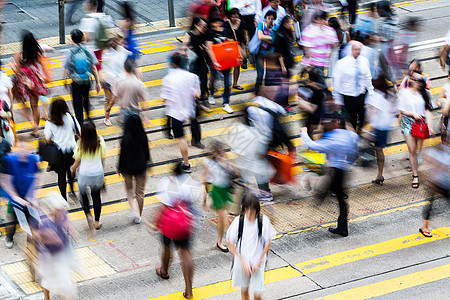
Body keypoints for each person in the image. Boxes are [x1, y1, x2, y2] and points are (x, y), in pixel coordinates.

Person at [300, 115, 359, 237]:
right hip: (340, 169)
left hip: (337, 172)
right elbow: (354, 145)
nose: (323, 127)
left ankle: (342, 227)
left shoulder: (334, 139)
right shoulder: (343, 133)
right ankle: (322, 198)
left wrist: (304, 133)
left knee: (338, 197)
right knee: (337, 195)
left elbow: (314, 146)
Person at [155, 162, 205, 299]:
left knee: (166, 248)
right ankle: (189, 290)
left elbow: (163, 206)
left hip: (169, 223)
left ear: (173, 172)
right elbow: (199, 200)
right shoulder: (192, 184)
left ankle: (164, 271)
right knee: (185, 253)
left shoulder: (166, 183)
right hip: (185, 223)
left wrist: (156, 222)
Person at [226, 194, 276, 300]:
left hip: (258, 262)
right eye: (246, 209)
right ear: (243, 208)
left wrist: (259, 261)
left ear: (256, 209)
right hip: (242, 262)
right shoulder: (238, 222)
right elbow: (231, 244)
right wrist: (243, 262)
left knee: (258, 294)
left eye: (252, 209)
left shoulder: (263, 222)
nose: (249, 212)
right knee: (244, 290)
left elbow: (268, 243)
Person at [161, 53, 202, 174]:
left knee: (181, 138)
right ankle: (196, 141)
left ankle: (186, 163)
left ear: (172, 64)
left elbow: (164, 98)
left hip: (175, 112)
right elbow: (197, 94)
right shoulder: (192, 77)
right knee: (193, 126)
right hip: (189, 109)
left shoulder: (167, 79)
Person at [34, 193, 78, 300]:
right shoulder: (45, 223)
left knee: (57, 281)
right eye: (59, 209)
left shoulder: (61, 213)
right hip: (50, 256)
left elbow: (66, 216)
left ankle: (48, 296)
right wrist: (50, 239)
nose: (62, 210)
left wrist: (69, 226)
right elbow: (37, 236)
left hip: (61, 253)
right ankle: (47, 296)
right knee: (54, 281)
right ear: (52, 209)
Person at [398, 71, 434, 189]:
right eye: (416, 80)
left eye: (421, 81)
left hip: (420, 123)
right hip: (408, 122)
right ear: (411, 80)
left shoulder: (426, 93)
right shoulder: (403, 92)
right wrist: (413, 114)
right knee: (412, 149)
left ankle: (415, 166)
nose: (419, 83)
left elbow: (427, 111)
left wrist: (430, 126)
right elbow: (402, 110)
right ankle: (415, 175)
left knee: (417, 148)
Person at [2, 137, 40, 249]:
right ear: (17, 147)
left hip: (28, 199)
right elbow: (5, 181)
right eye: (21, 147)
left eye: (26, 147)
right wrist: (15, 196)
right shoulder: (10, 160)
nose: (23, 150)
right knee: (11, 221)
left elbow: (37, 177)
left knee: (34, 223)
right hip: (14, 199)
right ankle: (9, 237)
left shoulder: (32, 159)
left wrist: (33, 196)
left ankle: (31, 245)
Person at [419, 102, 449, 238]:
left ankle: (425, 225)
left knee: (432, 201)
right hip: (438, 179)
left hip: (443, 178)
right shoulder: (439, 149)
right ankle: (424, 226)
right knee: (431, 201)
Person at [201, 140, 238, 252]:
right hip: (216, 191)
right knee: (221, 218)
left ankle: (226, 239)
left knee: (227, 215)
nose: (220, 154)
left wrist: (226, 163)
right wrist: (205, 199)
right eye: (218, 152)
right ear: (213, 152)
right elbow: (204, 181)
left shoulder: (224, 162)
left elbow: (235, 173)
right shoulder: (206, 163)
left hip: (225, 190)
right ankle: (220, 242)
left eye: (221, 152)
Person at [11, 30, 49, 137]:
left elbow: (18, 71)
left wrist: (13, 66)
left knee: (22, 104)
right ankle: (36, 128)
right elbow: (39, 66)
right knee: (35, 105)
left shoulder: (18, 54)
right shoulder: (36, 53)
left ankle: (32, 123)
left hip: (23, 83)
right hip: (34, 81)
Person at [71, 121, 106, 233]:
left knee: (83, 196)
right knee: (96, 197)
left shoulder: (80, 143)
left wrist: (72, 169)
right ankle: (97, 221)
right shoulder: (100, 141)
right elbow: (102, 158)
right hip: (97, 173)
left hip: (84, 174)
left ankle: (88, 216)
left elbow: (77, 161)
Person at [44, 98, 80, 201]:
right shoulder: (70, 117)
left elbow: (47, 139)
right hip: (72, 150)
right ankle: (72, 191)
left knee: (61, 176)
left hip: (59, 152)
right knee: (71, 171)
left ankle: (64, 199)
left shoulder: (50, 122)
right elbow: (79, 131)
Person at [333, 41, 374, 132]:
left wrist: (371, 92)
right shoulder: (342, 64)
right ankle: (353, 136)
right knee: (352, 119)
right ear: (351, 50)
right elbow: (336, 82)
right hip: (348, 96)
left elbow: (367, 77)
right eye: (356, 49)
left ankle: (359, 131)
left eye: (359, 50)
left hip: (361, 95)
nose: (358, 52)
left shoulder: (364, 61)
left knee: (363, 117)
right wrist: (337, 98)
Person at [63, 29, 101, 126]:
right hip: (87, 81)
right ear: (82, 38)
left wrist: (65, 81)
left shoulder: (70, 52)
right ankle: (89, 118)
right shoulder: (88, 50)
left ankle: (79, 124)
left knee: (77, 103)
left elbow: (66, 68)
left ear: (72, 40)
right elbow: (93, 67)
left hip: (75, 82)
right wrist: (98, 82)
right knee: (86, 99)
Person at [117, 114, 150, 224]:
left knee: (129, 190)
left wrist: (119, 168)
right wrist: (148, 163)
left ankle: (134, 210)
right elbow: (146, 152)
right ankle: (138, 215)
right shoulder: (143, 136)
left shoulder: (125, 139)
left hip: (127, 168)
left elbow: (122, 155)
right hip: (141, 167)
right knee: (140, 192)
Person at [365, 76, 395, 185]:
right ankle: (380, 173)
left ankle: (380, 173)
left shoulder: (375, 96)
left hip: (378, 128)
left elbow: (372, 114)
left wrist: (370, 129)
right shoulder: (388, 95)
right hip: (386, 127)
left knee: (376, 150)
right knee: (379, 150)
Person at [206, 15, 235, 114]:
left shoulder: (226, 31)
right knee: (214, 79)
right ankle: (211, 94)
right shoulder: (210, 33)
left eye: (218, 22)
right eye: (214, 22)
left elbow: (232, 44)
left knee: (227, 83)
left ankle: (226, 103)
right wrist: (214, 61)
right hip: (215, 61)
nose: (216, 24)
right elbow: (209, 48)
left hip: (226, 61)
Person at [100, 34, 131, 126]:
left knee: (123, 98)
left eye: (119, 41)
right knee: (110, 100)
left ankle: (122, 116)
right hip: (109, 80)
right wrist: (112, 82)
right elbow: (105, 69)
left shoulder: (122, 50)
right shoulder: (107, 53)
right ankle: (107, 117)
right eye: (116, 41)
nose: (118, 43)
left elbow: (129, 53)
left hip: (120, 79)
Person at [301, 10, 338, 83]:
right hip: (313, 65)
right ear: (316, 19)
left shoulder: (329, 30)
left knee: (317, 86)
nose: (326, 21)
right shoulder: (308, 31)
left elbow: (335, 46)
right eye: (324, 19)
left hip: (324, 63)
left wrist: (330, 41)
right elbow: (307, 50)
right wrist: (308, 65)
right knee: (319, 86)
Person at [181, 17, 210, 104]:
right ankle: (195, 101)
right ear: (196, 25)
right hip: (192, 63)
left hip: (201, 61)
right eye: (202, 26)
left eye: (205, 26)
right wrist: (185, 51)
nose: (204, 28)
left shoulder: (204, 34)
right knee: (193, 83)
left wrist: (207, 49)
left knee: (203, 81)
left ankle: (201, 98)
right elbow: (183, 47)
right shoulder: (189, 34)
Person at [115, 58, 148, 123]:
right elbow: (144, 99)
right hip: (135, 112)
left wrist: (108, 108)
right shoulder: (139, 83)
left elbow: (116, 98)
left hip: (125, 113)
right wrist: (145, 115)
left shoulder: (121, 83)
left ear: (124, 69)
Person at [79, 0, 108, 70]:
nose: (83, 4)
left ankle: (99, 80)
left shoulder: (86, 19)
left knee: (92, 69)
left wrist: (81, 41)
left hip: (90, 50)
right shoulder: (102, 16)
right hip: (99, 47)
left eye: (85, 3)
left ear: (91, 5)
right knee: (98, 68)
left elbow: (88, 37)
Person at [224, 8, 249, 90]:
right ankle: (227, 83)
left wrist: (247, 44)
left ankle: (235, 83)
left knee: (237, 65)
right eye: (233, 17)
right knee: (228, 65)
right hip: (230, 46)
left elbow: (245, 34)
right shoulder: (226, 24)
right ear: (230, 16)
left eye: (236, 17)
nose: (235, 18)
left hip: (240, 45)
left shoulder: (242, 23)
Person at [255, 10, 276, 93]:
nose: (270, 20)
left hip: (270, 53)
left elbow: (273, 40)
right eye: (269, 18)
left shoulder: (275, 27)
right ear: (266, 18)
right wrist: (269, 38)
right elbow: (260, 37)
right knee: (260, 74)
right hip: (260, 52)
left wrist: (266, 37)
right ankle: (258, 92)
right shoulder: (261, 24)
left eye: (272, 19)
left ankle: (267, 93)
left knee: (269, 75)